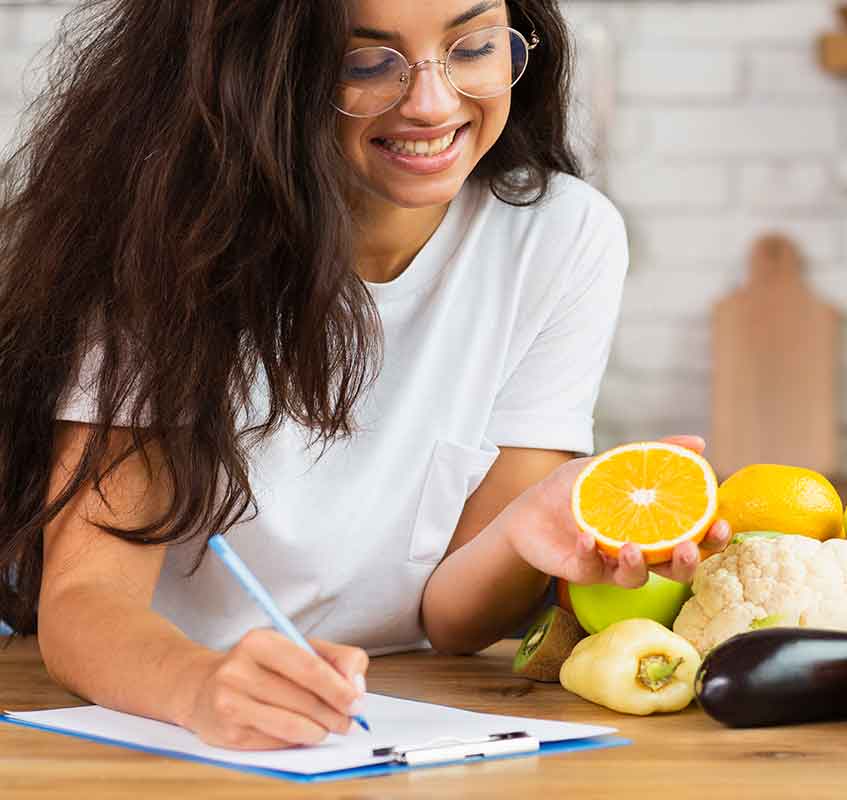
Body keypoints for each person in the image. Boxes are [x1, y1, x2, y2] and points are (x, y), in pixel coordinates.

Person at [0, 0, 730, 750]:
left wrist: (527, 529)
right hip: (162, 707)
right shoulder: (164, 244)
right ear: (259, 75)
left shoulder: (563, 237)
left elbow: (449, 621)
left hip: (395, 714)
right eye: (364, 63)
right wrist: (200, 686)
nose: (433, 102)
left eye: (474, 47)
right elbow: (84, 603)